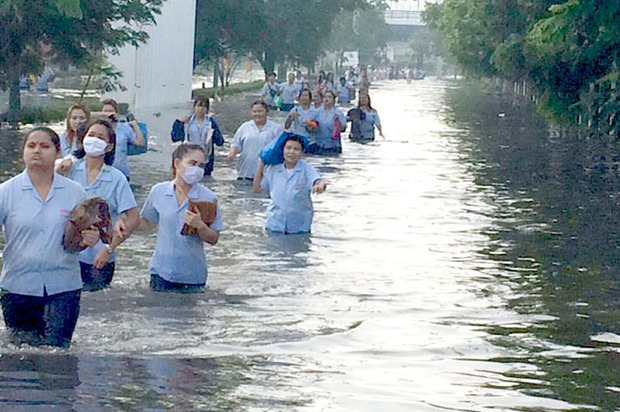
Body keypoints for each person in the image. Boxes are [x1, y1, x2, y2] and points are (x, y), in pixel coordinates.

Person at [0, 127, 99, 348]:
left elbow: (82, 237)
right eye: (31, 146)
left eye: (44, 146)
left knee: (57, 355)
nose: (37, 151)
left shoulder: (74, 192)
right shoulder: (5, 192)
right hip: (18, 286)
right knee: (21, 356)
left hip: (63, 286)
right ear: (23, 152)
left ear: (57, 152)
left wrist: (89, 239)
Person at [138, 144, 223, 292]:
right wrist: (126, 221)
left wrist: (200, 226)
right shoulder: (159, 191)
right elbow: (147, 222)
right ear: (177, 163)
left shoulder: (208, 198)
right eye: (192, 163)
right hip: (161, 271)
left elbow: (214, 238)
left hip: (192, 275)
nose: (196, 169)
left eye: (201, 165)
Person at [66, 120, 140, 291]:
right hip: (68, 255)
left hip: (99, 257)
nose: (94, 140)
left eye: (101, 137)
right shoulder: (68, 169)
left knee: (97, 308)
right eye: (91, 135)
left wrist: (109, 248)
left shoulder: (116, 178)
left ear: (109, 146)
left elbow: (133, 217)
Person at [255, 134, 327, 234]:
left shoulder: (306, 169)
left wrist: (320, 186)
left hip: (299, 229)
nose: (291, 152)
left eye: (296, 149)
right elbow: (257, 189)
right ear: (283, 150)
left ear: (302, 152)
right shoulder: (273, 169)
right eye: (288, 148)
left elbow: (318, 181)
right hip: (274, 226)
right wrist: (262, 162)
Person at [227, 100, 283, 180]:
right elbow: (236, 144)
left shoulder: (275, 129)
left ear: (267, 112)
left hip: (266, 175)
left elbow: (281, 149)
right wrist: (232, 154)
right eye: (254, 112)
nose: (257, 114)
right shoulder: (245, 127)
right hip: (245, 172)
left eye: (260, 111)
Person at [92, 99, 145, 180]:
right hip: (100, 171)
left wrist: (135, 126)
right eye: (105, 111)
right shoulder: (96, 128)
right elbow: (86, 116)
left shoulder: (124, 127)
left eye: (111, 111)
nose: (108, 114)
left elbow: (140, 142)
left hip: (121, 171)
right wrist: (103, 115)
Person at [175, 96, 225, 176]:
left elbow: (220, 142)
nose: (201, 109)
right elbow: (176, 138)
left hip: (206, 158)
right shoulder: (187, 122)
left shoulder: (210, 122)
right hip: (190, 156)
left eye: (204, 106)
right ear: (194, 107)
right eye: (198, 106)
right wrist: (178, 123)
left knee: (205, 180)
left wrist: (213, 132)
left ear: (207, 109)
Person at [309, 90, 346, 155]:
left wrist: (338, 123)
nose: (327, 99)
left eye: (329, 97)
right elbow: (310, 128)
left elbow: (343, 129)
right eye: (325, 97)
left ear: (334, 100)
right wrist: (311, 126)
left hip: (334, 146)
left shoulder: (338, 113)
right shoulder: (316, 112)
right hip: (319, 145)